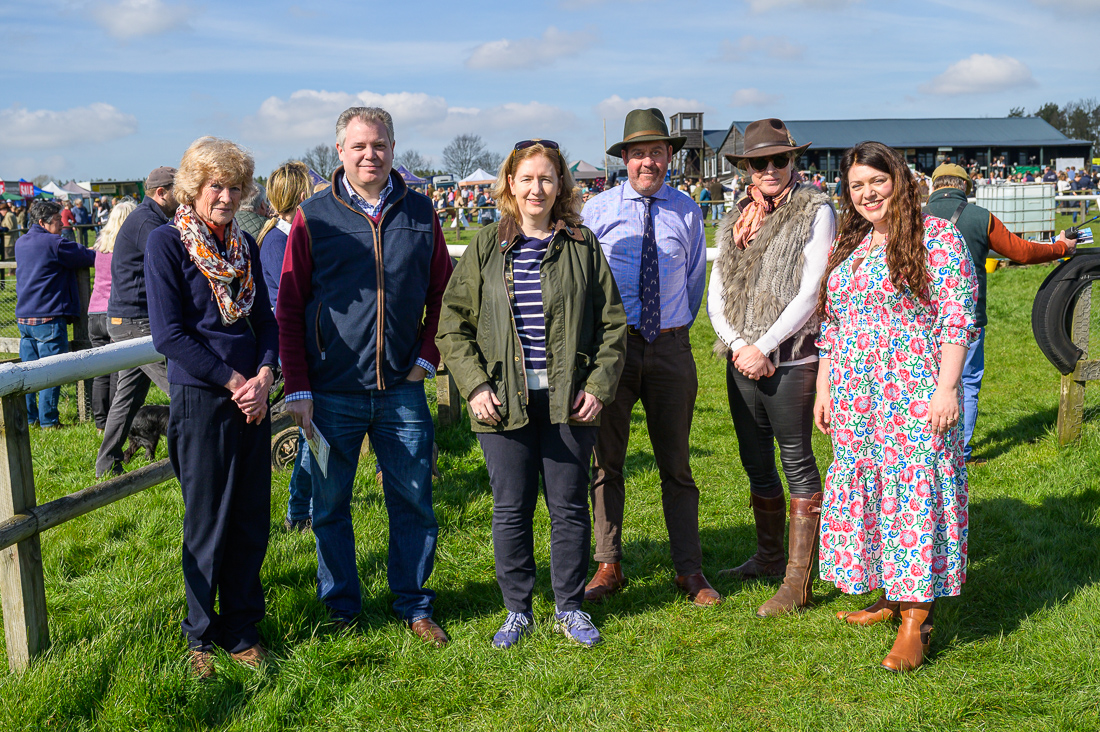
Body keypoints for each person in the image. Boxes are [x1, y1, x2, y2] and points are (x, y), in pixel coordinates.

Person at [438, 139, 626, 648]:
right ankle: (517, 609)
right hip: (502, 401)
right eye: (526, 179)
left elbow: (613, 326)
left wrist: (598, 386)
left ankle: (569, 607)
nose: (536, 188)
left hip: (570, 401)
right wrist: (474, 385)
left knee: (568, 507)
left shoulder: (583, 245)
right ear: (510, 185)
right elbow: (452, 325)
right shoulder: (486, 244)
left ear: (560, 184)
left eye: (546, 178)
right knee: (511, 507)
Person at [276, 106, 454, 644]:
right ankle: (341, 608)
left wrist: (427, 358)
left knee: (414, 499)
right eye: (358, 146)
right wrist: (300, 386)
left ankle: (414, 604)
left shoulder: (420, 212)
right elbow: (289, 304)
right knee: (329, 505)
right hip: (332, 392)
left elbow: (444, 293)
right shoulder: (314, 216)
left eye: (378, 145)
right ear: (339, 152)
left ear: (393, 148)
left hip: (402, 389)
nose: (369, 155)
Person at [814, 141, 978, 672]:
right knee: (874, 493)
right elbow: (833, 327)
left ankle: (916, 620)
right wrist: (824, 389)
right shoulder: (853, 244)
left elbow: (957, 316)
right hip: (857, 398)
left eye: (876, 182)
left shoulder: (938, 236)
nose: (867, 194)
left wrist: (948, 388)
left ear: (899, 181)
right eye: (856, 186)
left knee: (913, 499)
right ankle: (888, 597)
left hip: (915, 394)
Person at [145, 136, 279, 679]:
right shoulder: (167, 244)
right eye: (214, 186)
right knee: (207, 520)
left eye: (233, 187)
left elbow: (266, 322)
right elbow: (168, 334)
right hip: (204, 397)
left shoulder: (243, 246)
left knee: (251, 519)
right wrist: (232, 380)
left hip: (253, 398)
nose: (224, 196)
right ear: (193, 189)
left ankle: (241, 627)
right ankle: (199, 635)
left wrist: (266, 375)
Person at [581, 108, 720, 607]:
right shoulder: (595, 211)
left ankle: (690, 570)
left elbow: (694, 281)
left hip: (670, 348)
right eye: (638, 153)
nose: (647, 162)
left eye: (656, 152)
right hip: (613, 350)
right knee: (606, 463)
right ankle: (607, 563)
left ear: (668, 157)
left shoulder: (687, 210)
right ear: (624, 158)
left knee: (677, 466)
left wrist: (672, 329)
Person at [708, 119, 836, 617]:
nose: (769, 170)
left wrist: (765, 345)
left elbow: (812, 289)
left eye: (778, 160)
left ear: (792, 162)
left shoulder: (815, 211)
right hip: (742, 358)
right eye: (759, 162)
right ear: (747, 168)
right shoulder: (736, 217)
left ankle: (797, 582)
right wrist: (740, 343)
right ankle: (767, 555)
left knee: (796, 461)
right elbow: (718, 290)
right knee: (754, 459)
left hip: (792, 359)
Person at [925, 164, 1074, 463]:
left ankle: (922, 448)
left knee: (923, 382)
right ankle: (959, 452)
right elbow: (1023, 252)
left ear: (933, 186)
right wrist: (1060, 247)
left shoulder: (912, 217)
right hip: (967, 317)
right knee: (965, 382)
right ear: (966, 188)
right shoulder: (980, 217)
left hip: (917, 318)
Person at [95, 166, 179, 478]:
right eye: (179, 191)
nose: (184, 197)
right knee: (182, 385)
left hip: (128, 319)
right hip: (136, 322)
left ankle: (106, 464)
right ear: (162, 193)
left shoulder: (151, 218)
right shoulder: (148, 222)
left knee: (127, 398)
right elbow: (172, 262)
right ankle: (197, 455)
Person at [257, 160, 314, 531]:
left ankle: (305, 507)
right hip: (292, 350)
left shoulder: (289, 235)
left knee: (314, 431)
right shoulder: (279, 242)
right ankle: (299, 510)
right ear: (301, 195)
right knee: (311, 431)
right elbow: (285, 303)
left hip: (304, 345)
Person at [15, 199, 97, 428]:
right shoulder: (54, 243)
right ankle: (49, 421)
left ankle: (30, 418)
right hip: (48, 316)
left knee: (28, 373)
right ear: (42, 222)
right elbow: (88, 257)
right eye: (56, 220)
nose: (62, 224)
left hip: (24, 317)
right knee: (52, 372)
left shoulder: (21, 242)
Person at [87, 199, 137, 434]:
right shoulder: (127, 247)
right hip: (115, 312)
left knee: (100, 372)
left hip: (93, 312)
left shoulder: (100, 246)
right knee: (118, 370)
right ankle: (113, 423)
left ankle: (99, 422)